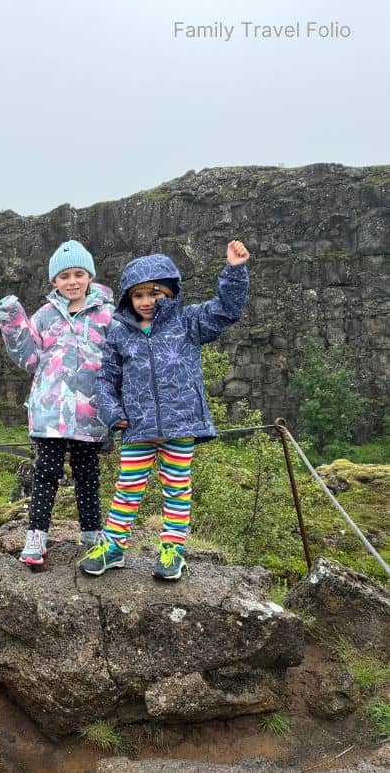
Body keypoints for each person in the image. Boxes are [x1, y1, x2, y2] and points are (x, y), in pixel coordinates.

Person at [80, 240, 250, 580]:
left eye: (154, 293)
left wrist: (234, 271)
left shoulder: (189, 322)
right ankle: (113, 547)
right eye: (138, 295)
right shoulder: (119, 334)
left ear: (171, 293)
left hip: (180, 426)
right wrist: (113, 413)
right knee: (127, 488)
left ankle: (173, 550)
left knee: (176, 489)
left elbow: (227, 310)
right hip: (137, 428)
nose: (146, 302)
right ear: (129, 299)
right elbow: (106, 379)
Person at [0, 239, 115, 567]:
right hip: (49, 415)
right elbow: (30, 357)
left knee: (88, 476)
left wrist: (115, 411)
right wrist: (12, 321)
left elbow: (119, 363)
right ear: (54, 282)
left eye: (79, 273)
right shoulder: (46, 316)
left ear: (90, 275)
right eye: (64, 276)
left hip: (90, 414)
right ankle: (36, 538)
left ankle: (92, 535)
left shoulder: (109, 315)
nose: (72, 281)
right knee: (45, 475)